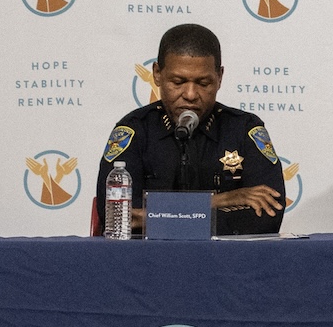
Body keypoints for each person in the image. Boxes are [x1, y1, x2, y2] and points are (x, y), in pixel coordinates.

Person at [94, 24, 285, 236]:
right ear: (157, 74)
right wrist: (219, 201)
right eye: (178, 82)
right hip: (148, 262)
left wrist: (154, 218)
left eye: (204, 83)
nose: (191, 94)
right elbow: (118, 218)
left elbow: (267, 217)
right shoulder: (134, 130)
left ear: (219, 77)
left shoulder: (244, 129)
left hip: (225, 262)